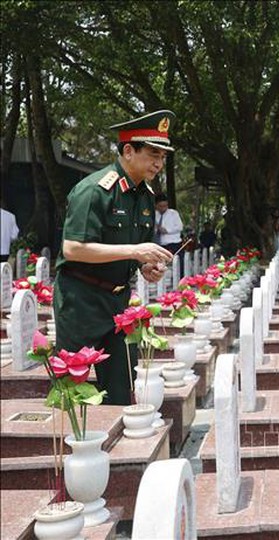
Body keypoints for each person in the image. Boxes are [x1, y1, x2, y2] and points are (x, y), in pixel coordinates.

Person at [53, 110, 175, 405]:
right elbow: (73, 248)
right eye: (153, 154)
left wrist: (146, 266)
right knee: (72, 392)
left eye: (163, 156)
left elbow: (133, 250)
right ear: (129, 151)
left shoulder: (145, 196)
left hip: (119, 304)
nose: (159, 163)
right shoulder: (95, 191)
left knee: (122, 388)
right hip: (81, 300)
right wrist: (134, 251)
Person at [154, 192, 184, 262]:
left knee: (177, 264)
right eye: (160, 206)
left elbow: (180, 227)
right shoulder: (154, 215)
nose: (163, 208)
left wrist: (167, 230)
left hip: (173, 244)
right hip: (160, 244)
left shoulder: (173, 213)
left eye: (165, 206)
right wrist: (156, 229)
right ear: (156, 205)